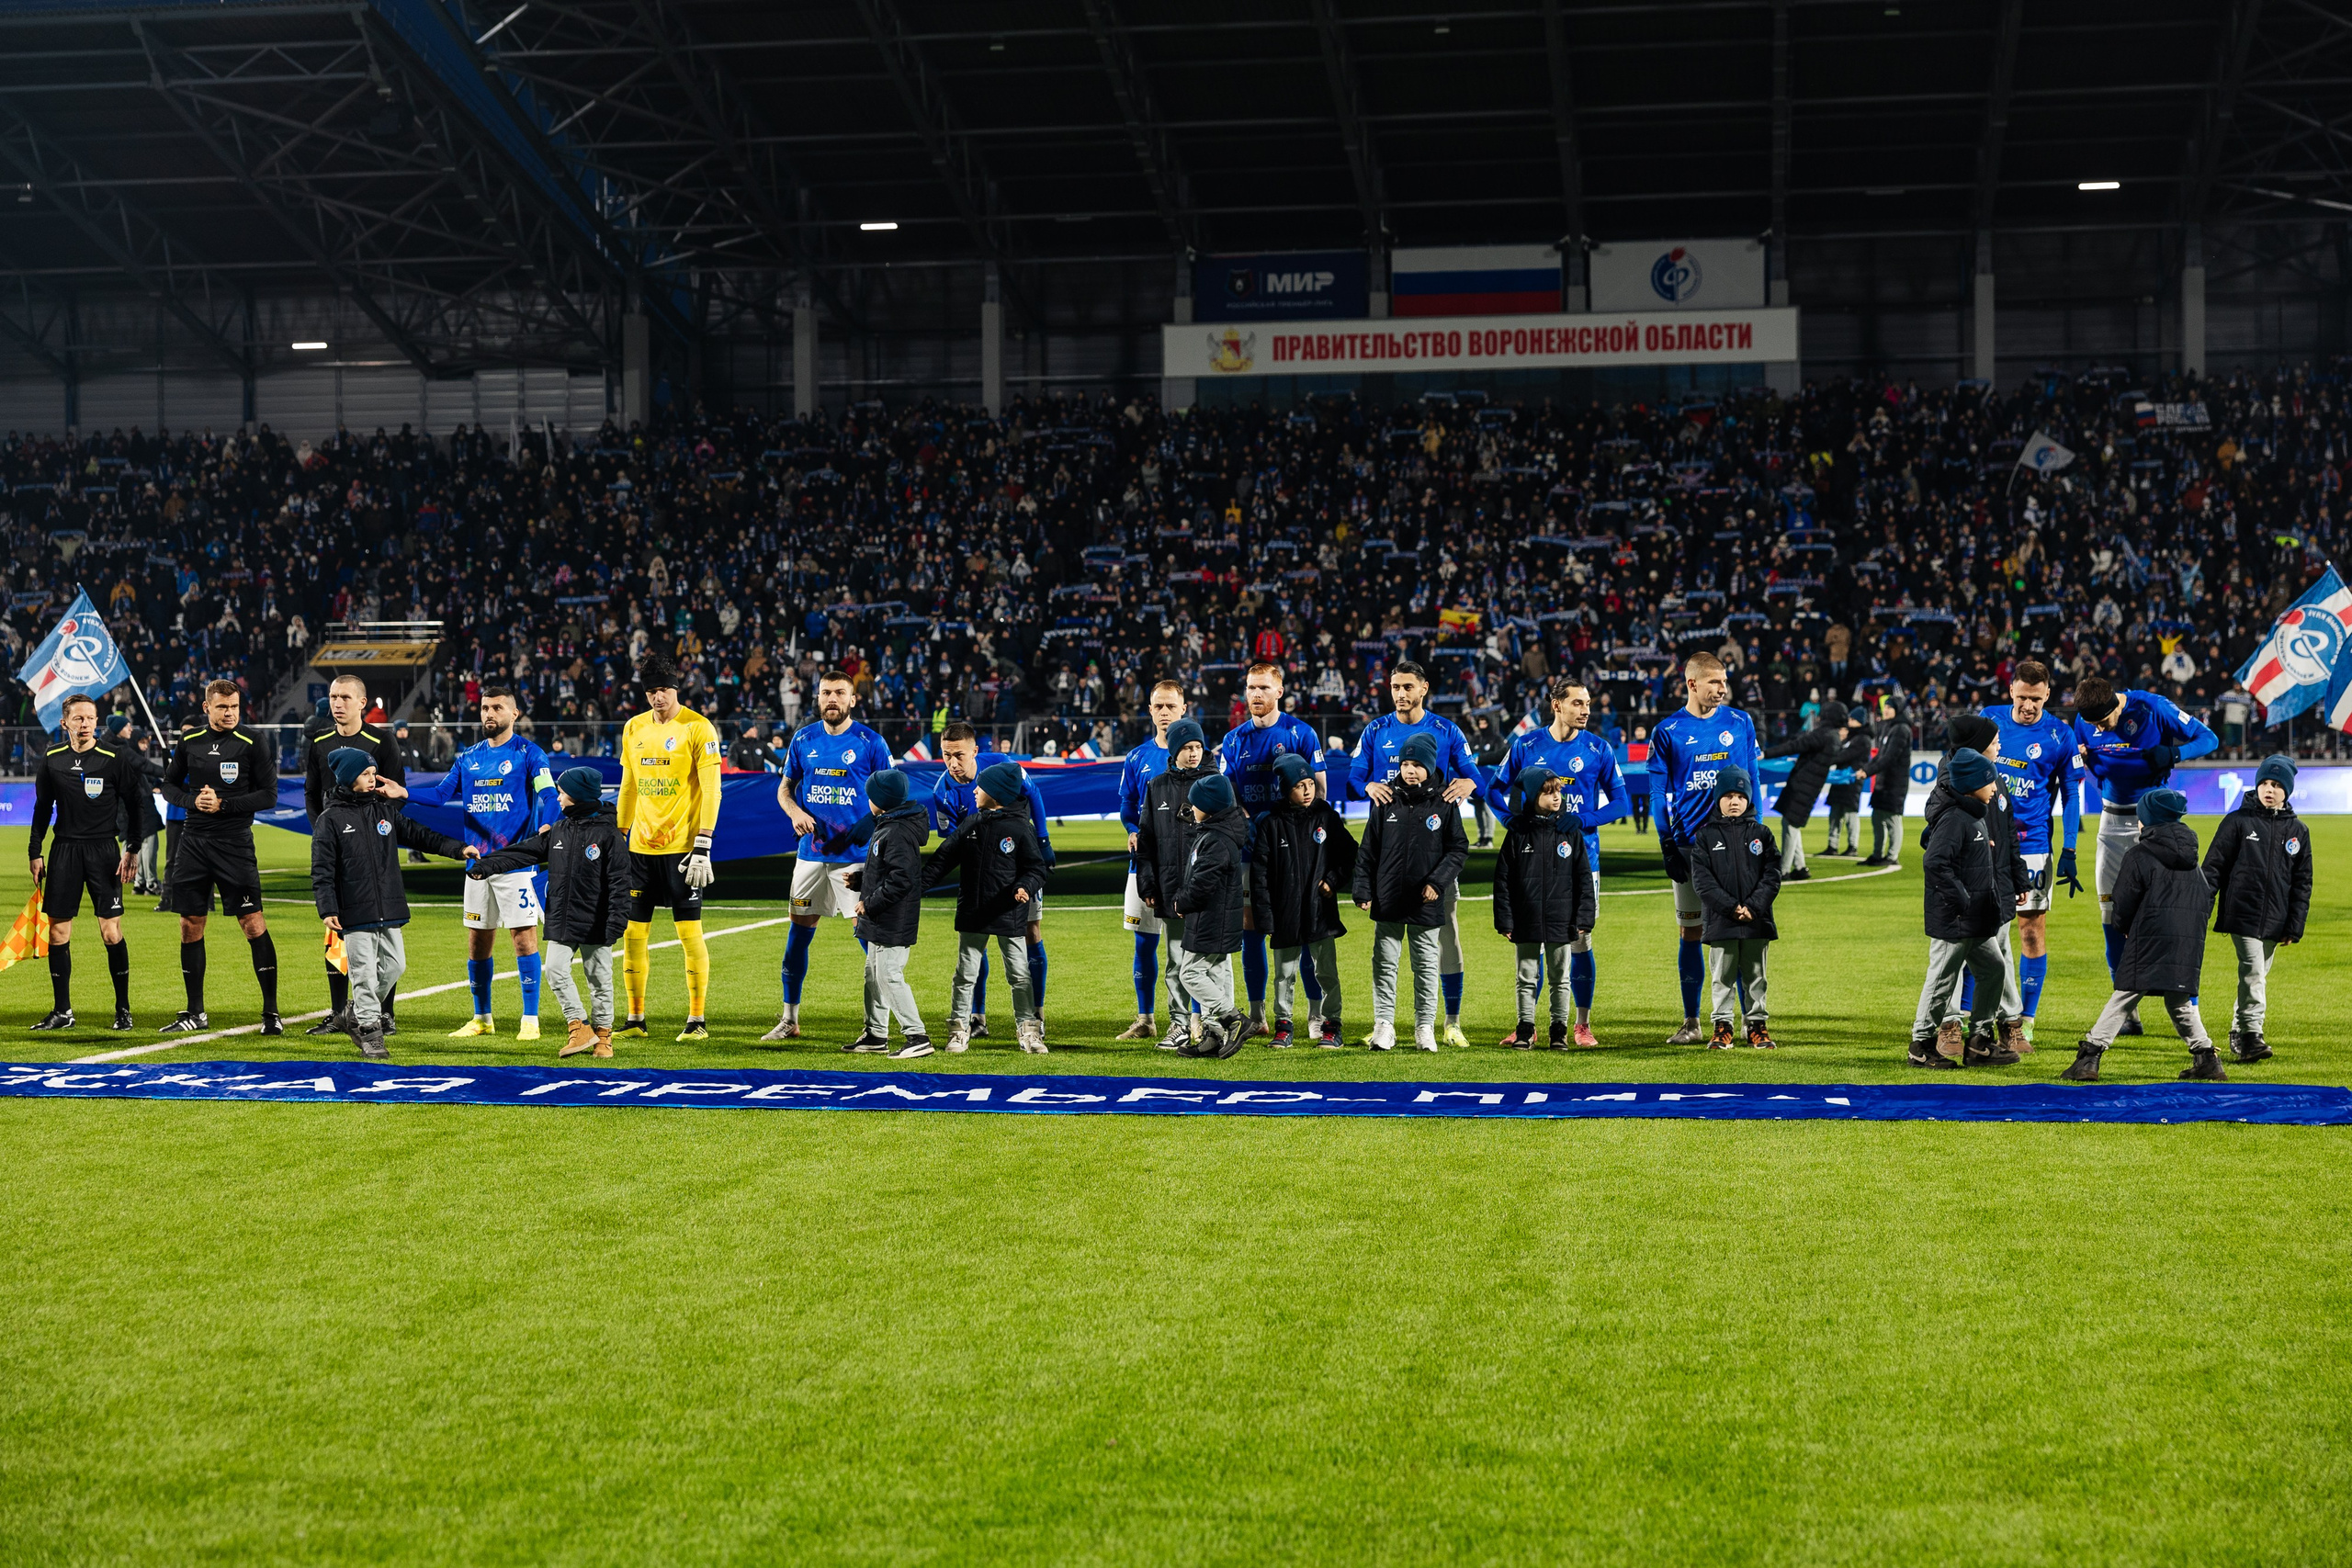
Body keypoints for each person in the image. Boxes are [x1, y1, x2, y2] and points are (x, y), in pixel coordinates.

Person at [400, 686, 555, 1041]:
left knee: (523, 939)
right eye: (485, 707)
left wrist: (549, 821)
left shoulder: (530, 754)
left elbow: (549, 794)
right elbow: (440, 795)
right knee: (477, 942)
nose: (489, 714)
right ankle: (482, 1017)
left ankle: (529, 1019)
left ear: (514, 714)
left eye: (497, 708)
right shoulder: (468, 757)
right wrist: (405, 792)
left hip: (516, 862)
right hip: (478, 864)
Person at [2070, 674, 2219, 1032]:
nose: (2101, 728)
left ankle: (2191, 1015)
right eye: (2094, 725)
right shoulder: (2084, 720)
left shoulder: (2152, 707)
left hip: (2155, 826)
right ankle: (2127, 1013)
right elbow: (2086, 760)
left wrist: (2174, 752)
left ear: (2116, 703)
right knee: (2110, 917)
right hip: (2110, 823)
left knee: (2173, 918)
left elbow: (2208, 739)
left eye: (2105, 721)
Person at [1485, 677, 1628, 1044]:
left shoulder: (1599, 748)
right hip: (1532, 862)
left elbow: (1621, 803)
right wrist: (1510, 821)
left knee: (1579, 942)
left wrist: (1584, 820)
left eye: (1588, 704)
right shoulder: (1527, 744)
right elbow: (1494, 791)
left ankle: (1581, 1024)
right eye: (1578, 703)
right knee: (1530, 939)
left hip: (1581, 862)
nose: (1586, 711)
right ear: (1556, 705)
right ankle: (1527, 1026)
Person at [310, 748, 476, 1060]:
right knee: (363, 974)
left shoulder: (384, 812)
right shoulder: (329, 819)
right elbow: (321, 869)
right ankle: (371, 1035)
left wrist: (457, 849)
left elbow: (420, 835)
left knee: (396, 965)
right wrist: (327, 907)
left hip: (388, 907)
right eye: (365, 774)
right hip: (353, 911)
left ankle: (354, 1013)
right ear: (348, 778)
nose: (372, 779)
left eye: (373, 773)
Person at [1347, 660, 1477, 1045]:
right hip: (1389, 859)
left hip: (1432, 866)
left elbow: (1477, 777)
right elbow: (1355, 779)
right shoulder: (1375, 729)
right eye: (1394, 687)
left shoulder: (1446, 730)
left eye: (1407, 687)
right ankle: (1386, 1023)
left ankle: (1448, 1021)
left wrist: (1468, 781)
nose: (1400, 694)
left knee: (1443, 942)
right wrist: (1369, 786)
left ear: (1424, 689)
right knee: (1386, 955)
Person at [2059, 789, 2228, 1083]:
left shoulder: (2139, 854)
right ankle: (2207, 1059)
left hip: (2149, 936)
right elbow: (2205, 896)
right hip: (2187, 939)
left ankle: (2089, 1058)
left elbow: (2122, 901)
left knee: (2125, 993)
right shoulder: (2191, 857)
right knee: (2179, 999)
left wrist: (2124, 927)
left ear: (2147, 820)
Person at [468, 767, 628, 1059]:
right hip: (561, 917)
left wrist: (617, 921)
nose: (558, 796)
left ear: (577, 796)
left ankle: (604, 1038)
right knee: (555, 970)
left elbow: (621, 883)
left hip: (598, 920)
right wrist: (486, 865)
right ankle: (578, 1026)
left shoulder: (609, 836)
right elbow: (523, 852)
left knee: (599, 979)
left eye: (562, 791)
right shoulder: (560, 830)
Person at [770, 668, 894, 1040]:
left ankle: (878, 1025)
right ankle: (790, 1020)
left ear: (853, 699)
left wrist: (867, 824)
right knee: (799, 933)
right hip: (810, 855)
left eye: (840, 693)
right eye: (826, 693)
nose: (832, 699)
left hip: (855, 858)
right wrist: (795, 813)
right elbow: (785, 789)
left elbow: (891, 795)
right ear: (818, 698)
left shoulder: (871, 743)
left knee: (867, 937)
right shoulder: (803, 738)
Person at [156, 680, 283, 1035]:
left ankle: (271, 1014)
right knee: (189, 924)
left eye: (235, 708)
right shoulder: (189, 741)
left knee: (252, 923)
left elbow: (268, 795)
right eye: (222, 708)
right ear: (206, 708)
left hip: (234, 843)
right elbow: (168, 786)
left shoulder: (252, 741)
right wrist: (192, 801)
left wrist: (224, 805)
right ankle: (195, 1012)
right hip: (194, 842)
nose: (229, 714)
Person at [1648, 653, 1762, 1043]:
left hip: (1737, 845)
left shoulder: (1739, 722)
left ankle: (1750, 1023)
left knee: (1742, 929)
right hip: (1690, 847)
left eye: (1724, 681)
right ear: (1692, 684)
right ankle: (1693, 1022)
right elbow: (1657, 792)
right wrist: (1666, 841)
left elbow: (1754, 780)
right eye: (1714, 682)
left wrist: (1757, 831)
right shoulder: (1667, 730)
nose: (1722, 688)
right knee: (1691, 933)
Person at [1973, 661, 2082, 1043]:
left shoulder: (2060, 734)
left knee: (2031, 932)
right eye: (2021, 697)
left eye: (2035, 699)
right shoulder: (1989, 719)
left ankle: (2025, 1019)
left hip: (2033, 845)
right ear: (2011, 692)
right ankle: (1975, 1017)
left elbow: (2071, 794)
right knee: (1980, 930)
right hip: (1985, 839)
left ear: (2047, 695)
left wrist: (2069, 847)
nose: (2028, 706)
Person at [925, 721, 1056, 1039]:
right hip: (982, 871)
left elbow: (1033, 792)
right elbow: (955, 840)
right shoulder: (942, 791)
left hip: (1018, 860)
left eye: (959, 755)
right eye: (945, 756)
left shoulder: (1001, 766)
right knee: (976, 937)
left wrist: (1042, 840)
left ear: (975, 751)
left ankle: (1035, 1016)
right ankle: (977, 1016)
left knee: (1030, 931)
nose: (953, 764)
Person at [616, 656, 722, 1040]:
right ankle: (635, 1019)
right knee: (632, 933)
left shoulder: (698, 728)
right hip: (640, 850)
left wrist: (704, 842)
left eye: (662, 690)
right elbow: (629, 786)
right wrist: (618, 836)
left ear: (676, 688)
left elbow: (712, 789)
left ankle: (697, 1021)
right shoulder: (634, 728)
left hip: (683, 850)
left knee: (689, 932)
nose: (656, 697)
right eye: (650, 691)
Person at [1218, 661, 1327, 1037]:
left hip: (1296, 853)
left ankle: (1315, 1014)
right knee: (1251, 931)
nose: (1256, 694)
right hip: (1250, 853)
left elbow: (1320, 792)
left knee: (1305, 931)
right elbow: (1227, 798)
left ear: (1280, 691)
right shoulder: (1233, 741)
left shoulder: (1302, 733)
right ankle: (1258, 1015)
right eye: (1250, 688)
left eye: (1264, 687)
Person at [28, 694, 142, 1031]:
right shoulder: (52, 759)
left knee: (110, 932)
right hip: (65, 850)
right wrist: (36, 851)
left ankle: (123, 1009)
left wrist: (131, 848)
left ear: (97, 722)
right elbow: (41, 809)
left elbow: (136, 805)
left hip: (104, 851)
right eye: (78, 719)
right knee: (59, 932)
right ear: (65, 723)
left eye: (90, 718)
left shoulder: (113, 758)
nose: (85, 724)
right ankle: (62, 1011)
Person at [1908, 748, 2029, 1068]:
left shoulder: (1973, 815)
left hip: (1976, 920)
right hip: (1957, 919)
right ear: (1972, 783)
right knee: (1942, 981)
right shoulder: (1953, 818)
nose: (1994, 787)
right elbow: (1934, 862)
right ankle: (1920, 1044)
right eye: (1989, 781)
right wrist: (1961, 899)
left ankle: (1979, 1041)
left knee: (1994, 970)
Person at [2201, 754, 2311, 1064]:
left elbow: (2302, 882)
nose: (2269, 789)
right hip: (2242, 912)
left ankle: (2239, 1031)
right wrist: (2202, 907)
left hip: (2276, 919)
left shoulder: (2298, 831)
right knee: (2253, 972)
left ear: (2286, 791)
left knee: (2257, 974)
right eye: (2264, 782)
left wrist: (2294, 925)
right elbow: (2213, 869)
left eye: (2276, 785)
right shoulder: (2238, 822)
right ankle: (2252, 1034)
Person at [1250, 752, 1356, 1048]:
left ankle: (1331, 1026)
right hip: (1285, 915)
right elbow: (1259, 876)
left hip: (1320, 912)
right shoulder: (1270, 825)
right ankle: (1284, 1027)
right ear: (1286, 789)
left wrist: (1333, 881)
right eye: (1300, 785)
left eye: (1310, 783)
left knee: (1326, 972)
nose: (1308, 790)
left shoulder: (1326, 818)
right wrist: (1266, 917)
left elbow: (1350, 854)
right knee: (1284, 976)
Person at [1491, 769, 1598, 1049]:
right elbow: (1502, 879)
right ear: (1533, 795)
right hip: (1525, 919)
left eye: (1559, 792)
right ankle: (1525, 1029)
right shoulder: (1517, 832)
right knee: (1526, 977)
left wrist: (1584, 916)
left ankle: (1558, 1031)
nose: (1556, 797)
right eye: (1548, 792)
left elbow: (1583, 878)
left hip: (1561, 920)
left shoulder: (1569, 831)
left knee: (1560, 978)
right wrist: (1505, 919)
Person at [838, 769, 933, 1059]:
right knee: (873, 975)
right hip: (882, 918)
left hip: (892, 918)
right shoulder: (890, 824)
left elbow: (902, 879)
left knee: (889, 974)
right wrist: (862, 879)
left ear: (881, 800)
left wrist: (871, 901)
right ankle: (876, 1035)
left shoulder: (897, 831)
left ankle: (917, 1036)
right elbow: (888, 870)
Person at [1687, 765, 1781, 1048]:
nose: (1734, 801)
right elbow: (1703, 882)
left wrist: (1753, 906)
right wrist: (1731, 908)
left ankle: (1757, 1026)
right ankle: (1722, 1027)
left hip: (1756, 920)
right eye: (1728, 795)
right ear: (1718, 799)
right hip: (1722, 920)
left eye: (1740, 796)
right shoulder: (1705, 837)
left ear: (1749, 799)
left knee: (1756, 976)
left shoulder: (1762, 834)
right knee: (1722, 977)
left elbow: (1773, 874)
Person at [1114, 679, 1186, 1040]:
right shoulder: (1137, 757)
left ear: (1183, 709)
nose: (1164, 713)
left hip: (1183, 867)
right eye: (1158, 706)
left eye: (1171, 706)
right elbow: (1127, 806)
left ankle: (1187, 1018)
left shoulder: (1197, 756)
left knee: (1183, 945)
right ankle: (1146, 1019)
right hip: (1141, 865)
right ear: (1150, 711)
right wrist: (1131, 828)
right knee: (1145, 941)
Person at [1135, 718, 1211, 1051]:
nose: (1194, 753)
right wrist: (1148, 885)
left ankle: (1209, 1025)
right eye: (1187, 748)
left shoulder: (1215, 783)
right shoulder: (1157, 786)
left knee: (1210, 961)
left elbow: (1232, 833)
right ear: (1175, 749)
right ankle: (1179, 1024)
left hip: (1206, 889)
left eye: (1198, 747)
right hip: (1171, 889)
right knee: (1176, 961)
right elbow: (1147, 840)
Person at [1172, 771, 1252, 1058]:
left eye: (1196, 804)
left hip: (1212, 919)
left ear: (1210, 806)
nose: (1192, 809)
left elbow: (1203, 883)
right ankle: (1214, 1036)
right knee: (1215, 973)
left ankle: (1234, 1020)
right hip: (1218, 919)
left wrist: (1182, 902)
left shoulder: (1216, 840)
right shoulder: (1216, 834)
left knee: (1190, 973)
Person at [1760, 700, 1847, 882]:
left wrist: (1766, 754)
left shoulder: (1823, 734)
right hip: (1810, 785)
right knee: (1791, 824)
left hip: (1802, 784)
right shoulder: (1833, 736)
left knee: (1790, 825)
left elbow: (1795, 746)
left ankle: (1783, 870)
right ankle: (1800, 866)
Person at [1860, 696, 1912, 867]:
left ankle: (1892, 856)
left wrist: (1867, 771)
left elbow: (1889, 758)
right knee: (1877, 817)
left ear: (1898, 709)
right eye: (1885, 707)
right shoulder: (1888, 727)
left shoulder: (1901, 729)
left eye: (1890, 707)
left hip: (1895, 782)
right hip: (1884, 781)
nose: (1886, 710)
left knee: (1892, 819)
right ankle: (1878, 854)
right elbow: (1880, 756)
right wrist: (1867, 769)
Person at [1819, 705, 1872, 855]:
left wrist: (1825, 760)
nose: (1849, 721)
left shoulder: (1863, 739)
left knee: (1850, 813)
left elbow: (1845, 755)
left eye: (1852, 719)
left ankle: (1852, 846)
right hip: (1840, 779)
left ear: (1860, 722)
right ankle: (1832, 845)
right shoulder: (1851, 737)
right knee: (1835, 812)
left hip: (1851, 779)